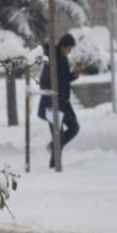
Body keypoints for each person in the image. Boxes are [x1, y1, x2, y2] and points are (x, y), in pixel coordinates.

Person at [37, 33, 86, 168]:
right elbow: (44, 81)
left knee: (74, 127)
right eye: (69, 49)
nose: (69, 52)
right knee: (59, 137)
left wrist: (75, 73)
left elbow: (64, 79)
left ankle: (53, 147)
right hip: (50, 105)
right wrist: (56, 88)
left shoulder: (63, 59)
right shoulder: (51, 60)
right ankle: (54, 166)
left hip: (63, 103)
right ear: (63, 46)